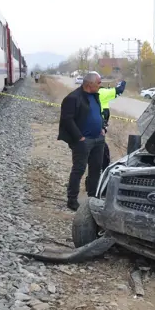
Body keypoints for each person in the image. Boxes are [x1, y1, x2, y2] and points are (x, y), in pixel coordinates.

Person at [57, 72, 106, 211]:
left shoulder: (95, 96)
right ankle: (72, 199)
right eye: (98, 82)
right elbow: (67, 119)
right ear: (89, 84)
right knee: (79, 170)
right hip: (83, 141)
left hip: (98, 139)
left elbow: (96, 114)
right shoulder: (73, 98)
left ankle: (92, 198)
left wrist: (102, 128)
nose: (100, 85)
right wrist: (79, 137)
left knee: (96, 169)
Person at [97, 79, 127, 172]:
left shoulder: (87, 93)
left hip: (92, 127)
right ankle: (100, 175)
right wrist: (122, 82)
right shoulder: (102, 92)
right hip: (98, 128)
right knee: (103, 154)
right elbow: (119, 90)